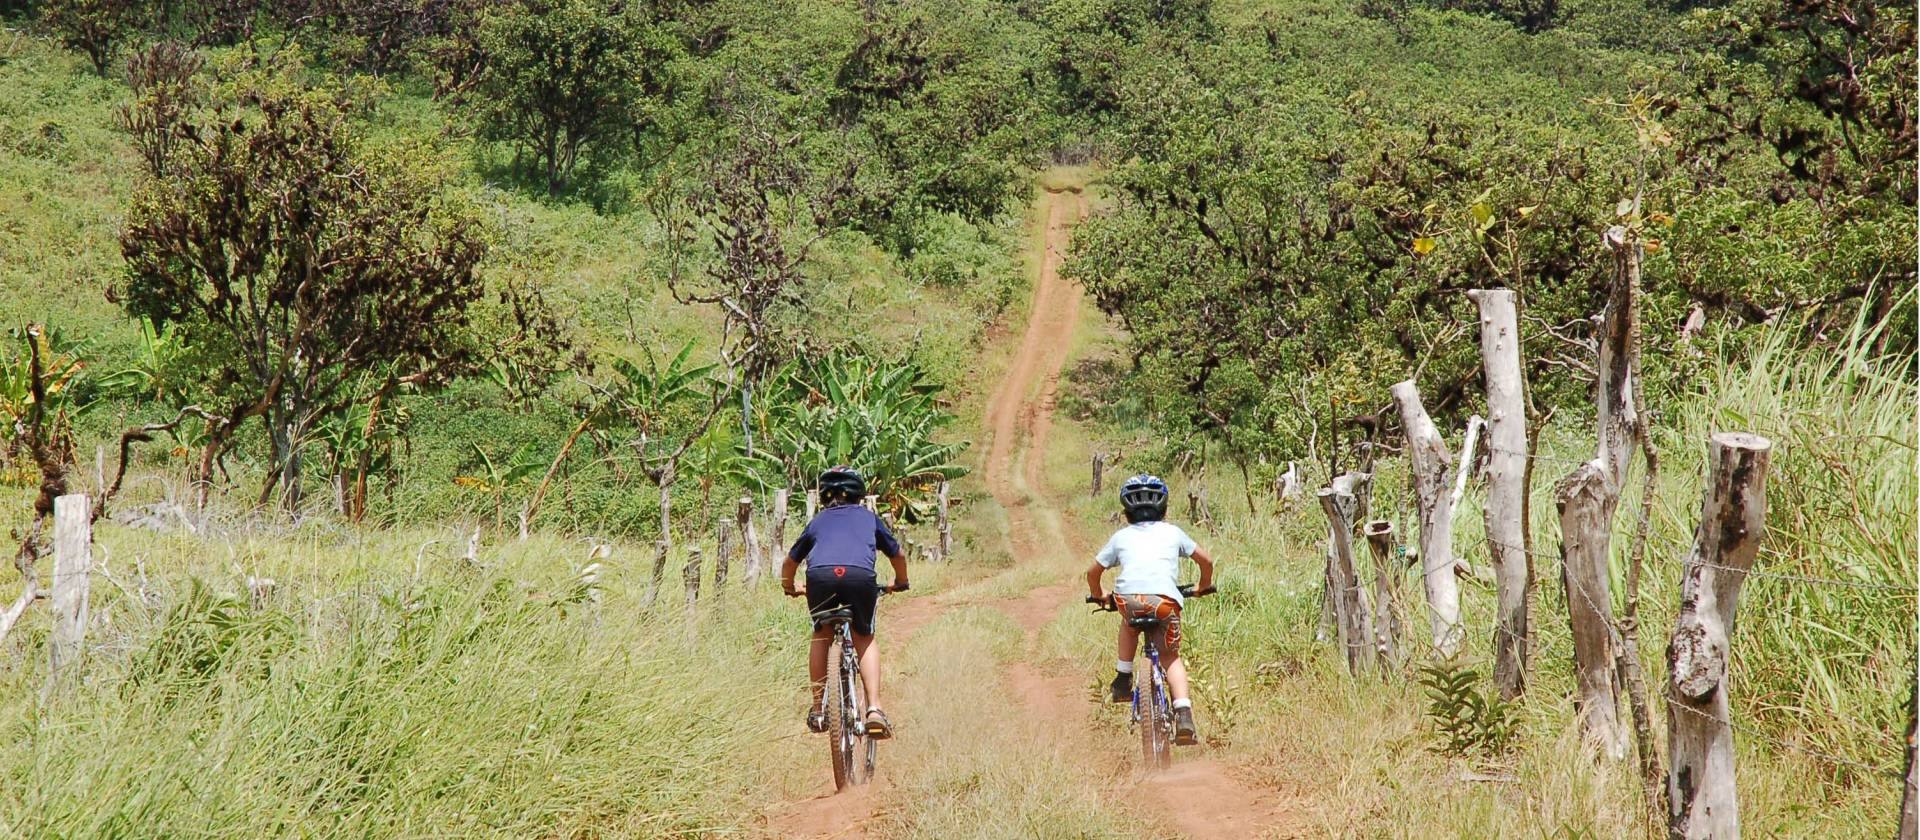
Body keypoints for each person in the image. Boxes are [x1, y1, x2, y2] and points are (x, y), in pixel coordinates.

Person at [1085, 474, 1216, 745]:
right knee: (1170, 657)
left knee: (1128, 626)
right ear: (1164, 509)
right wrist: (1203, 586)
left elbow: (1093, 571)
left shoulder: (1120, 537)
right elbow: (1206, 560)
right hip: (1166, 601)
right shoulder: (1173, 532)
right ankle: (1184, 715)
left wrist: (1099, 595)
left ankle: (1123, 677)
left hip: (1128, 600)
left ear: (1126, 513)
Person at [781, 465, 909, 739]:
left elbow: (791, 561)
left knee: (821, 634)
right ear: (858, 494)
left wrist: (789, 587)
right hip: (860, 578)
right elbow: (897, 554)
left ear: (826, 496)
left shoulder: (818, 521)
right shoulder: (868, 518)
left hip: (820, 578)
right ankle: (874, 709)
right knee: (864, 636)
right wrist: (901, 581)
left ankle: (818, 710)